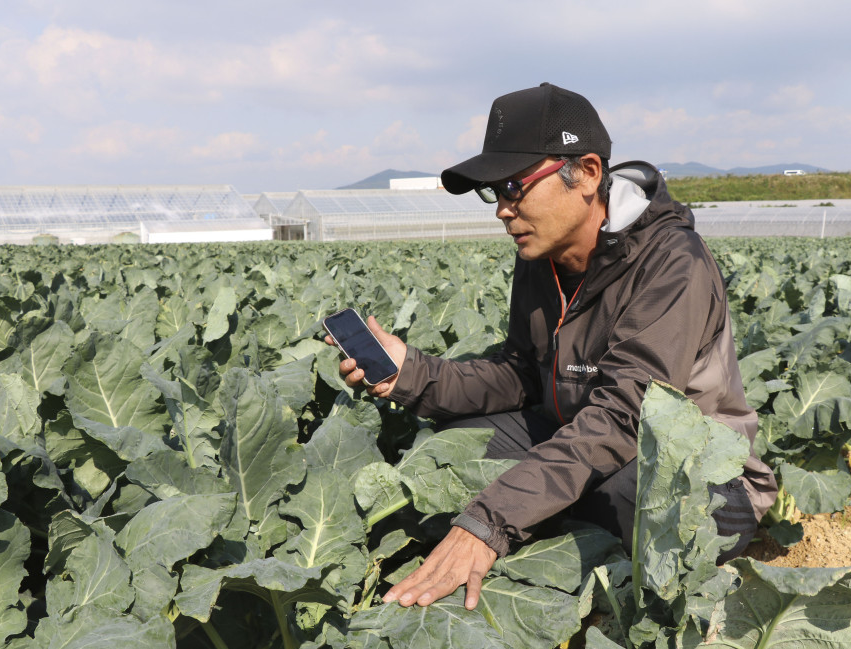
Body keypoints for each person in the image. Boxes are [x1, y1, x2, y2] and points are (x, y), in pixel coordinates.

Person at [331, 83, 778, 611]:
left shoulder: (672, 262)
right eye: (493, 192)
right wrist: (411, 375)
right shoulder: (542, 256)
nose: (502, 209)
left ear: (588, 173)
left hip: (696, 471)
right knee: (448, 457)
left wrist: (487, 522)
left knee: (614, 508)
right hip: (577, 432)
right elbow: (520, 374)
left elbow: (624, 419)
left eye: (515, 186)